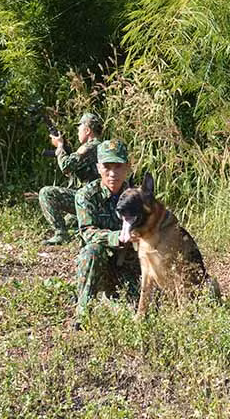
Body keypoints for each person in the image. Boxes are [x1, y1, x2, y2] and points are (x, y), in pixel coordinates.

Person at [73, 139, 139, 325]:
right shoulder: (86, 195)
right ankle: (83, 312)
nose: (112, 174)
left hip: (129, 262)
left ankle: (112, 296)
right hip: (100, 262)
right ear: (98, 167)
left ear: (127, 167)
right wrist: (116, 236)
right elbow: (87, 232)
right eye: (106, 167)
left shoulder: (136, 197)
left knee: (139, 308)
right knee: (91, 250)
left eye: (118, 166)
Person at [38, 112, 103, 245]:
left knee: (46, 193)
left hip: (90, 199)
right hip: (96, 199)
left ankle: (61, 234)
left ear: (87, 130)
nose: (78, 131)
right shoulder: (100, 146)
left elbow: (66, 167)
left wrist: (60, 147)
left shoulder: (90, 147)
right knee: (69, 221)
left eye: (79, 128)